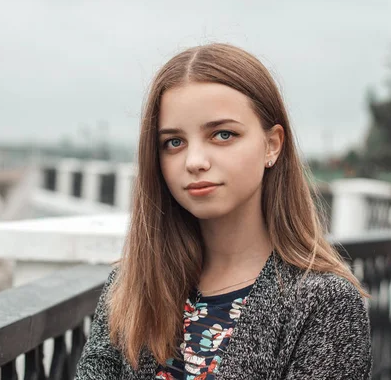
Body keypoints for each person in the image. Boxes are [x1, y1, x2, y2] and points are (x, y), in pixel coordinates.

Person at [74, 43, 372, 380]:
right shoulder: (132, 286)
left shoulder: (324, 304)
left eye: (222, 134)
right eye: (174, 142)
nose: (195, 162)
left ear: (272, 144)